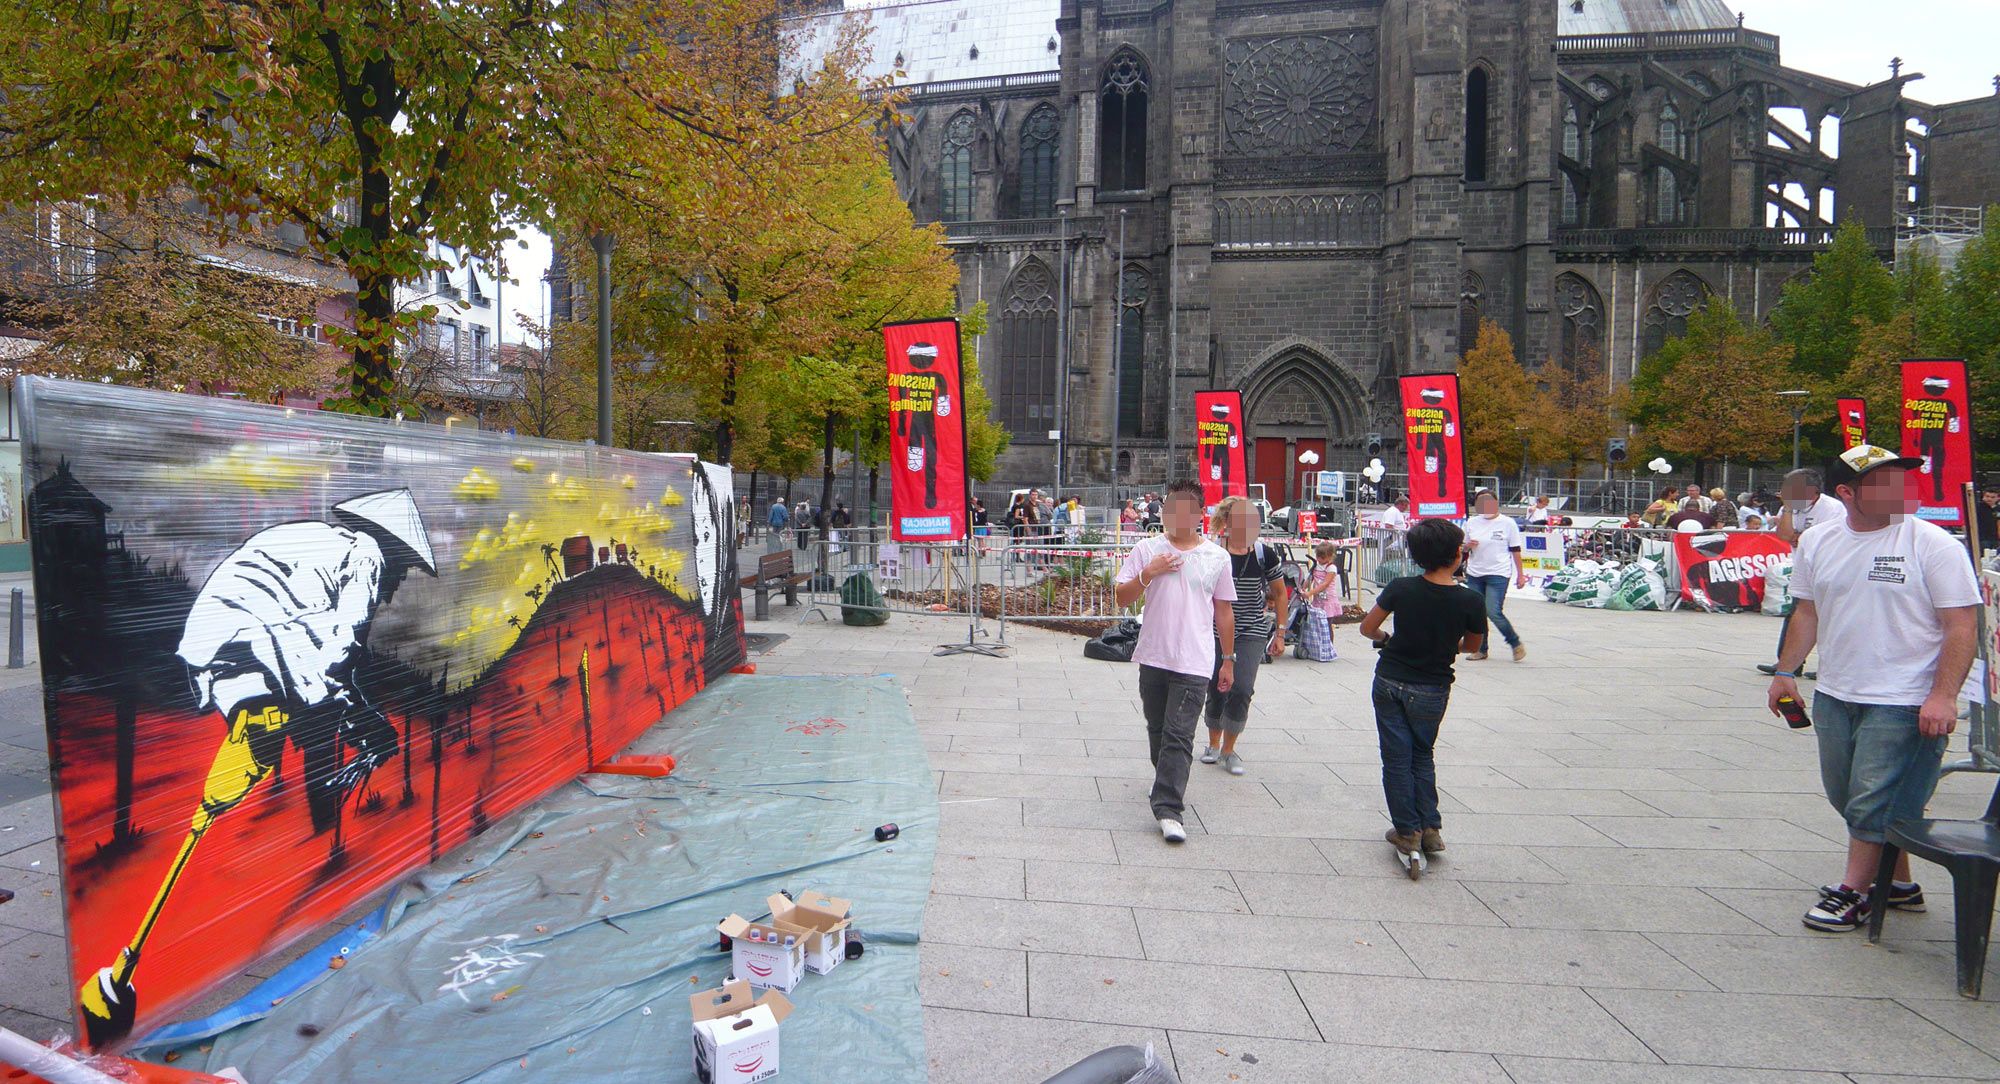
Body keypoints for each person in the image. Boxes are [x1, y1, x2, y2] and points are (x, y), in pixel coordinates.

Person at [80, 491, 437, 1044]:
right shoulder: (366, 557)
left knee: (261, 737)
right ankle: (135, 951)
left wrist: (351, 711)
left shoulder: (328, 547)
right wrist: (363, 721)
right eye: (406, 570)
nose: (399, 586)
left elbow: (321, 660)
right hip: (254, 638)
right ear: (393, 549)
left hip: (224, 644)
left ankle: (130, 958)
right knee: (257, 740)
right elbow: (334, 653)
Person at [1766, 444, 1980, 932]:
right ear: (1847, 493)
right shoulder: (1819, 541)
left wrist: (1944, 695)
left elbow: (1961, 626)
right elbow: (1807, 611)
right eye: (1885, 482)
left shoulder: (1934, 544)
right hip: (1837, 691)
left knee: (1872, 798)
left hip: (1904, 697)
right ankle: (1898, 883)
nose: (1902, 489)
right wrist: (1786, 672)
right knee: (1845, 794)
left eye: (1904, 479)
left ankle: (1853, 891)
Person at [1113, 480, 1238, 843]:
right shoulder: (1146, 548)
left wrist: (1227, 660)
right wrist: (1148, 572)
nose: (1176, 516)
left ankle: (1169, 808)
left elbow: (1224, 611)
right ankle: (1166, 779)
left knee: (1180, 733)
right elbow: (1122, 598)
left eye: (1186, 509)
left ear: (1202, 514)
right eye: (1171, 507)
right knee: (1158, 729)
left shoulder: (1217, 557)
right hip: (1154, 654)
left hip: (1196, 659)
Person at [1357, 517, 1488, 865]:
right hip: (1433, 686)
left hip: (1390, 680)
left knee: (1396, 759)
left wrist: (1390, 640)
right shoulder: (1471, 600)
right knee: (1422, 755)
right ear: (1457, 555)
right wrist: (1442, 641)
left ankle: (1407, 829)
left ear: (1415, 556)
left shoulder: (1401, 587)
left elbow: (1368, 628)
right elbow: (1469, 644)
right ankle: (1431, 828)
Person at [1200, 495, 1289, 776]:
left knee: (1241, 689)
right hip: (1213, 632)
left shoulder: (1264, 554)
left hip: (1252, 630)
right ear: (1227, 522)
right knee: (1216, 687)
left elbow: (1280, 592)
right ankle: (1213, 744)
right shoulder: (1212, 551)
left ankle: (1229, 750)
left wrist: (1280, 633)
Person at [1756, 468, 1848, 675]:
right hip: (1802, 568)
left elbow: (1827, 538)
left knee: (1832, 619)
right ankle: (1788, 663)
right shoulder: (1789, 508)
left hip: (1830, 568)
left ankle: (1832, 667)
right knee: (1796, 615)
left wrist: (1802, 536)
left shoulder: (1832, 508)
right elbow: (1784, 535)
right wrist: (1788, 509)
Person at [1460, 490, 1527, 661]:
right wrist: (1467, 546)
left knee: (1493, 610)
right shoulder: (1472, 522)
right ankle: (1481, 649)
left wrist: (1521, 575)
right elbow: (1463, 547)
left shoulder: (1507, 523)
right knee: (1477, 613)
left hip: (1498, 572)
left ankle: (1514, 642)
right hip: (1475, 572)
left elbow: (1515, 550)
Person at [1298, 540, 1344, 661]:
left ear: (1330, 556)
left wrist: (1310, 593)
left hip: (1328, 599)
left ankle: (1329, 647)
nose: (1319, 559)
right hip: (1318, 599)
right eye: (1318, 556)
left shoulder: (1331, 568)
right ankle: (1318, 646)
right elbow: (1311, 578)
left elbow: (1325, 584)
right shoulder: (1317, 565)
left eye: (1322, 557)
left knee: (1327, 624)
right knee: (1317, 623)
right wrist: (1304, 587)